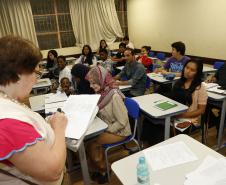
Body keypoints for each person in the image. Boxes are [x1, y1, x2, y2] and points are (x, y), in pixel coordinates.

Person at [0, 36, 67, 185]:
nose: (36, 80)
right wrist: (59, 128)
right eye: (35, 73)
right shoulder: (7, 122)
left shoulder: (7, 101)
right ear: (18, 75)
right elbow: (53, 171)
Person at [86, 66, 131, 184]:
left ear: (101, 81)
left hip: (120, 131)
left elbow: (122, 121)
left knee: (93, 144)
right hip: (107, 126)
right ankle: (97, 168)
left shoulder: (114, 96)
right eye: (90, 83)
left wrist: (106, 130)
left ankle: (105, 169)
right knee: (89, 142)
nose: (91, 86)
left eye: (93, 83)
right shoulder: (102, 93)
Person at [171, 59, 208, 127]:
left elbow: (201, 110)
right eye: (187, 67)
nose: (188, 71)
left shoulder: (200, 87)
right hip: (174, 115)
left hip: (190, 119)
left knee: (166, 131)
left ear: (197, 73)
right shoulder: (178, 82)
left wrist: (181, 115)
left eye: (192, 70)